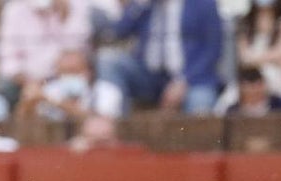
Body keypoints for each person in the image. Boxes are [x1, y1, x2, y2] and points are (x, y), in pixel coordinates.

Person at [92, 0, 226, 119]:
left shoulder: (204, 4)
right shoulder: (145, 7)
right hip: (149, 76)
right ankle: (105, 124)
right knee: (108, 60)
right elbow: (118, 31)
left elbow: (213, 49)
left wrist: (183, 81)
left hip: (192, 79)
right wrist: (139, 3)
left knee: (200, 104)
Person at [0, 0, 94, 111]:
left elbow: (78, 51)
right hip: (23, 81)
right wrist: (29, 83)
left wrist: (64, 15)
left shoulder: (75, 6)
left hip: (61, 78)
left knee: (76, 89)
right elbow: (7, 60)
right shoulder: (14, 9)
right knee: (3, 92)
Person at [235, 0, 281, 109]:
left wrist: (256, 60)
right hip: (255, 77)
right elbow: (244, 56)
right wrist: (278, 62)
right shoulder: (247, 23)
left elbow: (280, 52)